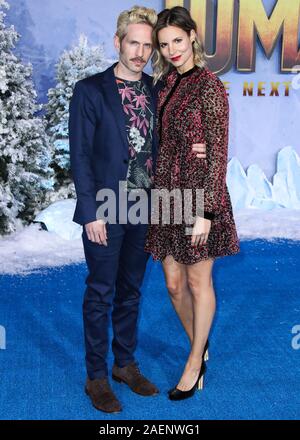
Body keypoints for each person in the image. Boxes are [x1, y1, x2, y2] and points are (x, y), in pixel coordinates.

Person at [69, 5, 207, 413]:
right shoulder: (90, 90)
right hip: (106, 209)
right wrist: (90, 211)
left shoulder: (158, 89)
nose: (141, 52)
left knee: (130, 291)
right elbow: (80, 155)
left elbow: (176, 136)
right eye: (134, 43)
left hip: (147, 207)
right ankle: (96, 376)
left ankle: (125, 364)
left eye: (149, 46)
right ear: (118, 42)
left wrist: (200, 147)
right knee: (100, 293)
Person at [145, 6, 240, 401]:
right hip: (167, 194)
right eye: (164, 45)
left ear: (193, 36)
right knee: (172, 283)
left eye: (178, 42)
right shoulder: (164, 83)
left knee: (199, 282)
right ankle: (199, 344)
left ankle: (194, 360)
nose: (172, 50)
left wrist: (206, 212)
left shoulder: (209, 86)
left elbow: (217, 154)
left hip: (200, 195)